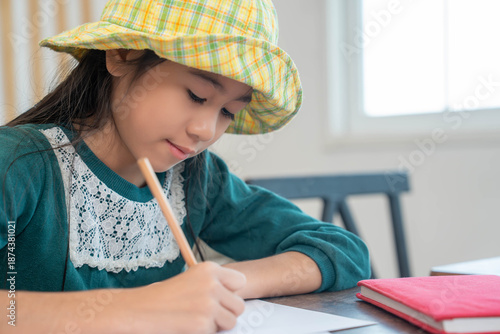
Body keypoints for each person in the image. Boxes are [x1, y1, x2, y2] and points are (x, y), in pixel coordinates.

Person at [0, 0, 370, 332]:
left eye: (228, 111)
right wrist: (142, 307)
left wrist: (217, 286)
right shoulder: (19, 163)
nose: (205, 130)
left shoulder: (195, 178)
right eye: (197, 95)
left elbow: (342, 250)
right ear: (122, 55)